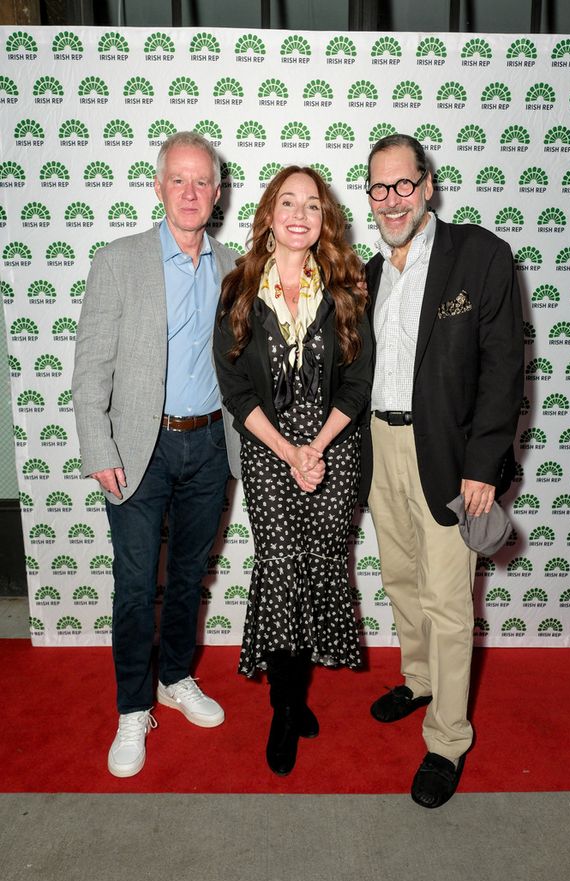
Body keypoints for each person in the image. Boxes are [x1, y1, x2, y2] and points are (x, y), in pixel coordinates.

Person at [361, 134, 523, 807]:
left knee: (450, 602)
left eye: (404, 184)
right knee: (401, 580)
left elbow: (503, 368)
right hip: (379, 447)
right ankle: (420, 679)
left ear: (429, 185)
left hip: (451, 459)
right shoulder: (370, 273)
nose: (392, 199)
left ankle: (448, 738)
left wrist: (484, 464)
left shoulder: (479, 256)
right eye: (379, 188)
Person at [72, 132, 238, 778]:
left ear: (217, 194)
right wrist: (97, 445)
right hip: (137, 447)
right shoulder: (119, 261)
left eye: (203, 183)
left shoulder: (233, 267)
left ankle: (175, 676)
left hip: (208, 446)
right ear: (158, 187)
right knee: (136, 585)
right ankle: (132, 707)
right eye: (180, 181)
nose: (191, 193)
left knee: (191, 573)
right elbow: (90, 369)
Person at [214, 166, 373, 776]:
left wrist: (319, 447)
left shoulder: (345, 288)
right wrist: (290, 451)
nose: (300, 213)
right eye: (288, 201)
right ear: (269, 213)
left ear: (324, 218)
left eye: (313, 203)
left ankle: (296, 694)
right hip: (268, 449)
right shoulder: (238, 288)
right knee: (281, 571)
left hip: (335, 447)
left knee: (318, 570)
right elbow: (234, 384)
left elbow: (358, 382)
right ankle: (284, 708)